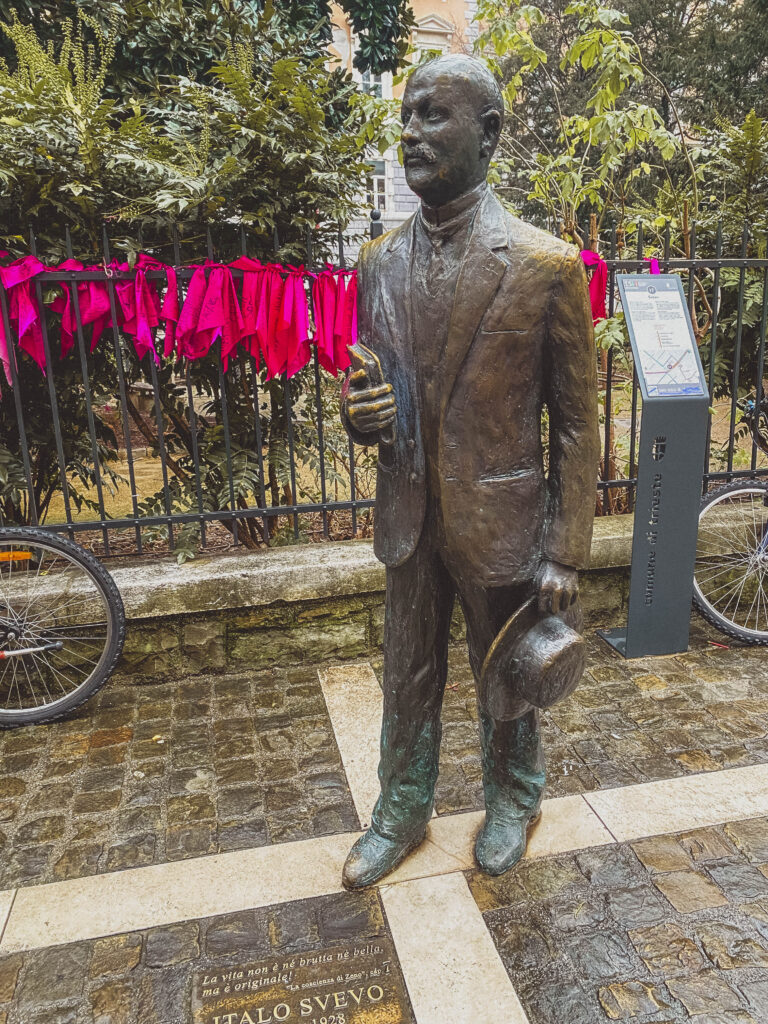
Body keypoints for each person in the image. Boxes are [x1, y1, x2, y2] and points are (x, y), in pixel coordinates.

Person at [340, 53, 599, 888]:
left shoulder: (546, 265)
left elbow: (578, 426)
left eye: (432, 115)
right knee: (407, 671)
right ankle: (400, 810)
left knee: (510, 671)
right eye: (407, 113)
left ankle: (515, 798)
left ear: (488, 135)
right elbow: (375, 392)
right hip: (410, 513)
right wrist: (361, 417)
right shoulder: (376, 263)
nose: (409, 131)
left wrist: (564, 550)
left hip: (504, 520)